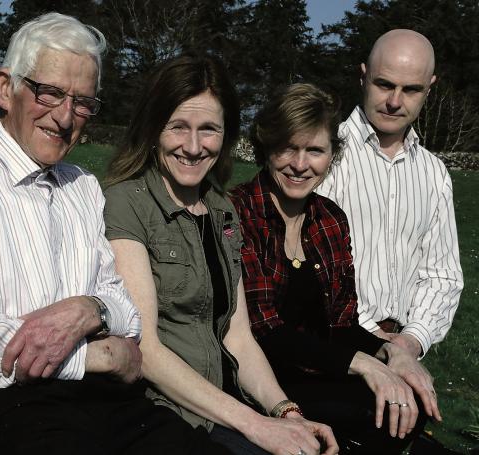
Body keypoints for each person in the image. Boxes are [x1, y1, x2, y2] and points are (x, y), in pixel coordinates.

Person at [0, 13, 229, 455]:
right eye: (51, 93)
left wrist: (89, 307)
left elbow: (125, 310)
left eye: (83, 102)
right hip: (7, 402)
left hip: (105, 401)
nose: (65, 117)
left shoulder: (82, 185)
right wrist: (97, 356)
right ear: (6, 88)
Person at [103, 56, 337, 455]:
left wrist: (285, 413)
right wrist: (257, 426)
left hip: (223, 406)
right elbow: (147, 349)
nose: (193, 148)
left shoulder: (221, 208)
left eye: (208, 129)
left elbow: (238, 335)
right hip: (162, 414)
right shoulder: (126, 203)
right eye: (178, 127)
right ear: (153, 128)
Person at [229, 83, 435, 454]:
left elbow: (341, 324)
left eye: (314, 150)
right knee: (369, 410)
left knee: (407, 402)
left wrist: (392, 354)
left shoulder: (328, 219)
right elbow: (263, 330)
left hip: (317, 370)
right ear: (267, 148)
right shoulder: (238, 213)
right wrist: (366, 366)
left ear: (331, 155)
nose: (300, 164)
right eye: (288, 148)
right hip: (259, 378)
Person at [315, 29, 463, 360]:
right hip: (334, 350)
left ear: (429, 88)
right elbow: (309, 267)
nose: (395, 101)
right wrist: (371, 336)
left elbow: (442, 276)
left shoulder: (433, 172)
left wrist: (410, 341)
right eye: (385, 85)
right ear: (363, 77)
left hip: (404, 354)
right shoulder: (323, 156)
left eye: (411, 90)